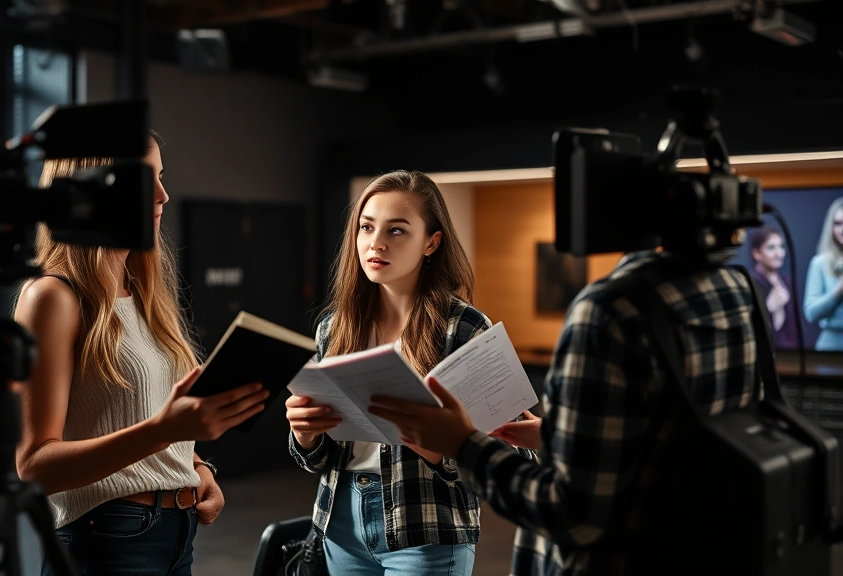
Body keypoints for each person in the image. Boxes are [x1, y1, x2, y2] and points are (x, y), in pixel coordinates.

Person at [368, 248, 758, 575]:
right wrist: (554, 436)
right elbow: (666, 441)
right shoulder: (739, 289)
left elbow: (574, 514)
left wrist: (462, 445)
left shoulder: (607, 310)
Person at [12, 130, 270, 575]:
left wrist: (196, 467)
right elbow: (35, 466)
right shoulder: (52, 297)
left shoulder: (144, 296)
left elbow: (150, 420)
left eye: (162, 178)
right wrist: (162, 431)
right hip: (107, 539)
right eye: (142, 181)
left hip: (176, 535)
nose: (163, 195)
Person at [285, 170, 538, 576]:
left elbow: (519, 453)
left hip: (426, 527)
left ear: (431, 242)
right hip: (339, 523)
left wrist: (441, 451)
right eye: (366, 227)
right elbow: (318, 457)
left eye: (397, 230)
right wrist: (305, 434)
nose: (376, 242)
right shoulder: (334, 326)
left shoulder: (466, 327)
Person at [748, 226, 798, 349]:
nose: (779, 253)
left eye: (781, 247)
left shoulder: (786, 281)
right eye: (771, 248)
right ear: (757, 253)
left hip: (791, 354)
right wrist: (768, 308)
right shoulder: (750, 283)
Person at [804, 197, 843, 351]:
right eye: (838, 223)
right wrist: (838, 291)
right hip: (831, 346)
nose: (842, 229)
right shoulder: (820, 263)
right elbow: (811, 313)